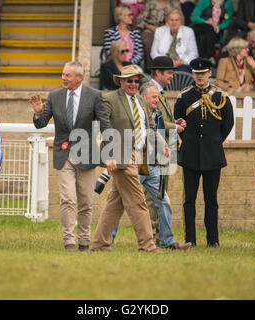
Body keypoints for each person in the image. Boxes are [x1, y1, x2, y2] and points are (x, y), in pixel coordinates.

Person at [31, 61, 113, 252]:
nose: (63, 78)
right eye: (63, 74)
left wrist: (109, 153)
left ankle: (84, 242)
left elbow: (105, 125)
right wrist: (37, 113)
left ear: (79, 78)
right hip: (64, 154)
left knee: (86, 201)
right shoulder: (54, 96)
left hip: (87, 154)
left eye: (68, 75)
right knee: (67, 198)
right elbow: (41, 123)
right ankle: (69, 242)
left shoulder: (94, 96)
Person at [91, 64, 168, 253]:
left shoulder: (141, 102)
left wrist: (162, 144)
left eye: (136, 80)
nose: (133, 84)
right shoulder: (110, 99)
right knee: (138, 201)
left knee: (114, 204)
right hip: (120, 155)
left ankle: (100, 244)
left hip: (137, 154)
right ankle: (148, 245)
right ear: (121, 81)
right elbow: (105, 127)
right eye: (129, 80)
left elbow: (149, 127)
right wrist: (109, 155)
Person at [111, 82, 191, 250]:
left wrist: (164, 147)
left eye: (157, 97)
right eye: (154, 97)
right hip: (134, 166)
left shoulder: (159, 116)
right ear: (144, 97)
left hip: (153, 167)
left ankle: (167, 242)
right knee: (119, 203)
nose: (157, 100)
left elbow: (156, 134)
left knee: (164, 201)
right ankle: (106, 240)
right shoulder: (134, 114)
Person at [174, 57, 234, 248]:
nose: (200, 77)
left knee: (211, 200)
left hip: (212, 154)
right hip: (190, 153)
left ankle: (213, 239)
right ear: (192, 74)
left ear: (209, 73)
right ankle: (190, 239)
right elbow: (178, 121)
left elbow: (227, 124)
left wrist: (214, 142)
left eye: (203, 73)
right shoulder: (184, 97)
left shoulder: (220, 97)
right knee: (189, 200)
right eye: (196, 73)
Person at [146, 56, 185, 242]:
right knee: (154, 198)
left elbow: (161, 119)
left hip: (161, 152)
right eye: (169, 73)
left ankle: (161, 237)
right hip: (153, 152)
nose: (171, 76)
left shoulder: (159, 92)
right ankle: (152, 237)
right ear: (158, 73)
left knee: (160, 195)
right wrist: (174, 127)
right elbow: (151, 121)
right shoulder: (149, 91)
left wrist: (172, 122)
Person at [136, 0, 181, 69]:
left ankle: (172, 65)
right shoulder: (150, 2)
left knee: (176, 38)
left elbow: (180, 18)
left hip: (169, 28)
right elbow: (140, 20)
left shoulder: (175, 3)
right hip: (151, 29)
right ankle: (152, 68)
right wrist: (151, 27)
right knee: (147, 40)